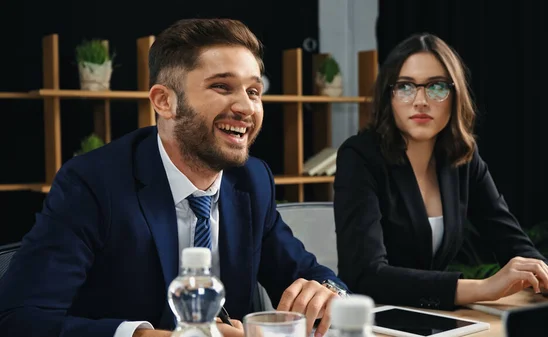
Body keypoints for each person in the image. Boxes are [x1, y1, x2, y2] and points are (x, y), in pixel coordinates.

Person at [0, 18, 348, 337]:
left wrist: (327, 292)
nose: (246, 107)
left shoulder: (252, 180)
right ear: (164, 102)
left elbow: (311, 275)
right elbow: (20, 317)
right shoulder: (91, 183)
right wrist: (146, 336)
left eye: (254, 91)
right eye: (222, 87)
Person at [333, 33, 548, 311]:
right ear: (389, 96)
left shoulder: (461, 158)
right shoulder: (359, 156)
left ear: (455, 95)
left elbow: (509, 238)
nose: (421, 100)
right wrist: (484, 287)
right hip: (375, 319)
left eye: (436, 87)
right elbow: (365, 275)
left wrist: (547, 273)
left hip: (437, 317)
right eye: (406, 87)